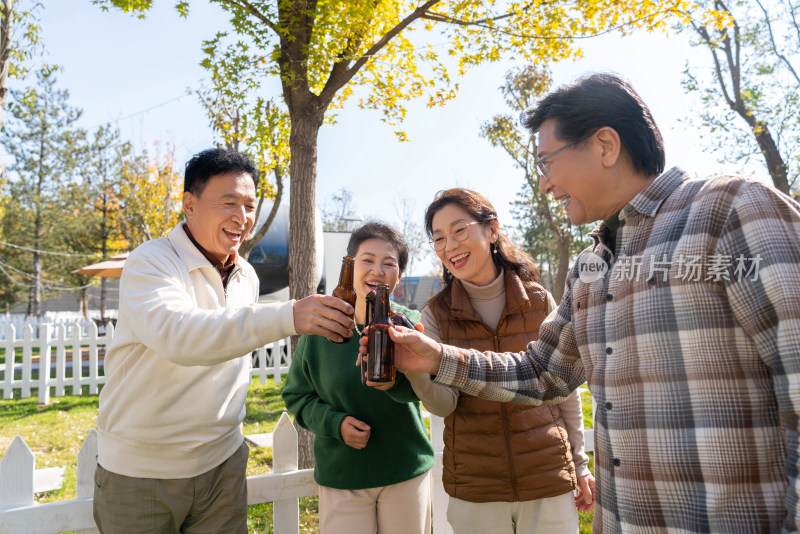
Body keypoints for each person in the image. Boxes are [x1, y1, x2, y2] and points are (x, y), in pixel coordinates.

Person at [362, 73, 800, 533]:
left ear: (605, 145)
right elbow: (542, 372)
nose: (545, 184)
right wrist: (436, 356)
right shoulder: (590, 267)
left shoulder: (731, 211)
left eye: (547, 162)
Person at [93, 148, 355, 534]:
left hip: (223, 466)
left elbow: (227, 342)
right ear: (190, 205)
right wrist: (287, 315)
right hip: (141, 474)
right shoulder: (151, 262)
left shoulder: (246, 275)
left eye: (250, 205)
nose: (242, 217)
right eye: (228, 202)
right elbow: (178, 335)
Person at [405, 188, 593, 533]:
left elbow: (563, 389)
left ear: (491, 231)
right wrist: (417, 369)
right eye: (439, 238)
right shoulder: (435, 315)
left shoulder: (539, 301)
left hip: (547, 475)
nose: (449, 246)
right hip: (477, 487)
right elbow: (444, 406)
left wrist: (580, 465)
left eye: (459, 231)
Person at [281, 222, 444, 534]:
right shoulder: (323, 326)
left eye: (389, 263)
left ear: (399, 274)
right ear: (350, 266)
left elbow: (431, 387)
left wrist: (394, 383)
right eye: (367, 260)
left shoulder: (409, 325)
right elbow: (296, 396)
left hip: (405, 470)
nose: (377, 271)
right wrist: (335, 424)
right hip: (344, 476)